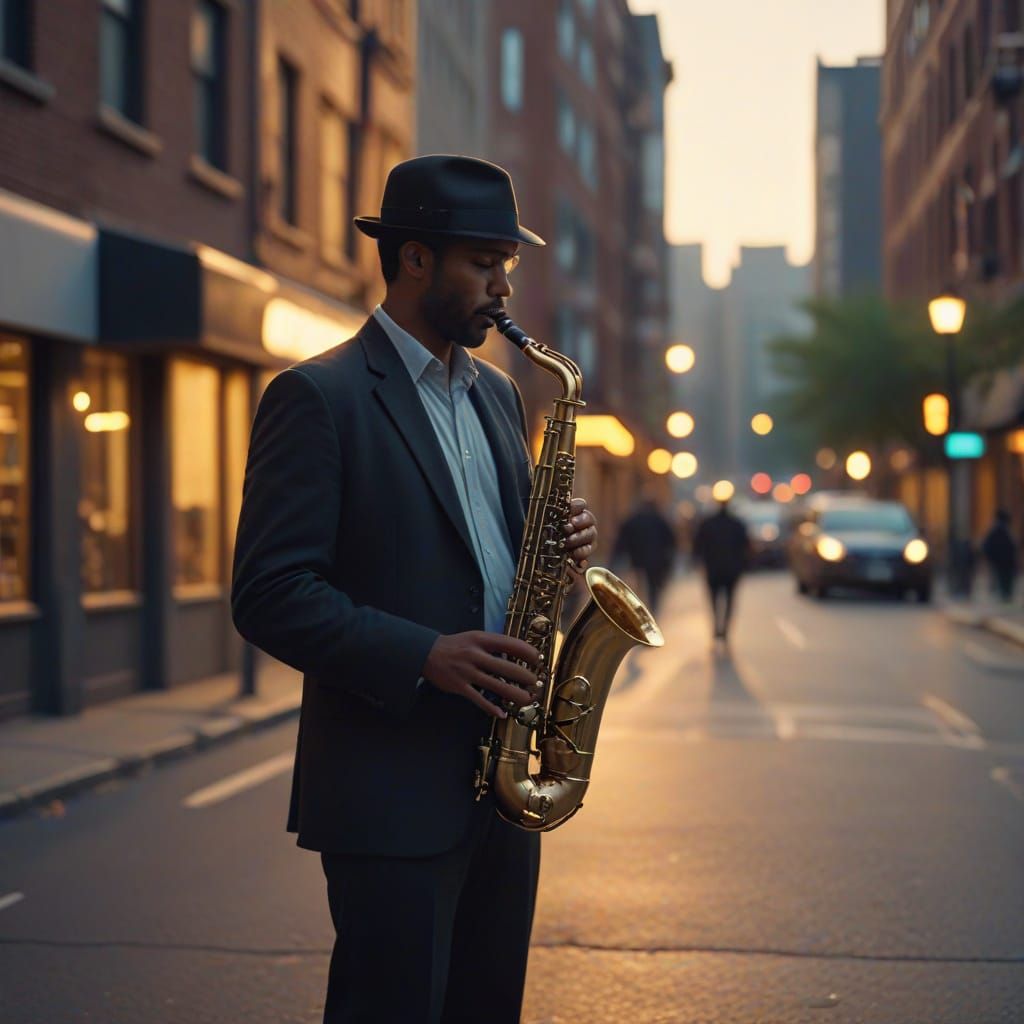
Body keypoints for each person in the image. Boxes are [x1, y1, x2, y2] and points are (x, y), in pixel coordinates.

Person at [231, 155, 598, 1024]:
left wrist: (558, 549)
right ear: (414, 260)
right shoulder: (317, 397)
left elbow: (497, 565)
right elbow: (269, 591)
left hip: (503, 794)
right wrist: (424, 655)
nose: (503, 286)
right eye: (483, 262)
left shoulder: (502, 399)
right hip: (389, 798)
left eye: (509, 264)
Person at [691, 499, 750, 642]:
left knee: (713, 599)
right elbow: (746, 546)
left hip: (713, 568)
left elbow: (697, 545)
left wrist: (698, 561)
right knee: (730, 600)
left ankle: (717, 625)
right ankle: (725, 629)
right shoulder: (737, 524)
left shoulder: (708, 524)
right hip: (732, 569)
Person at [611, 497, 677, 615]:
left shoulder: (633, 519)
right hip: (655, 560)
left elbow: (622, 540)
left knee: (638, 586)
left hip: (637, 559)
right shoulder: (659, 519)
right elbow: (670, 540)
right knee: (653, 587)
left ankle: (639, 610)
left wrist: (615, 558)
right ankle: (652, 610)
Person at [981, 508, 1018, 602]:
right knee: (1005, 578)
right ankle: (1006, 595)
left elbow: (986, 545)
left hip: (1000, 560)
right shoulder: (1003, 530)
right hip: (1004, 560)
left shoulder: (996, 529)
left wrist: (990, 558)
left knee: (1003, 578)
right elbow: (1011, 546)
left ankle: (1005, 595)